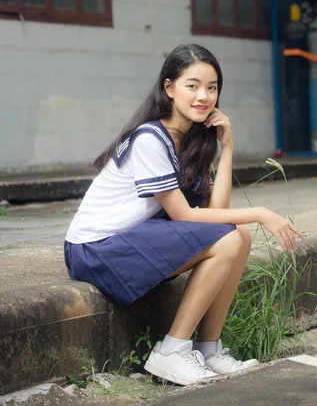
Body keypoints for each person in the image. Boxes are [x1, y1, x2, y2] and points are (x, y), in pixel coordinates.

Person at [64, 44, 304, 386]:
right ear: (169, 87)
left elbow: (215, 216)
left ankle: (208, 348)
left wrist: (228, 146)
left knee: (239, 236)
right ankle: (171, 352)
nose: (203, 96)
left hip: (127, 243)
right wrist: (261, 212)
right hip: (95, 250)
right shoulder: (150, 138)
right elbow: (181, 215)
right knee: (234, 233)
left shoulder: (190, 139)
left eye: (212, 87)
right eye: (192, 85)